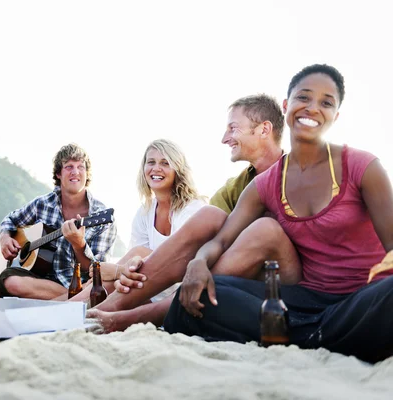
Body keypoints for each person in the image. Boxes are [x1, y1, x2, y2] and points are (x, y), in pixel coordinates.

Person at [161, 64, 393, 363]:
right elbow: (220, 241)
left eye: (326, 103)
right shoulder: (266, 184)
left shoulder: (363, 167)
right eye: (303, 98)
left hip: (362, 298)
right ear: (286, 105)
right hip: (304, 302)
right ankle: (317, 336)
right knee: (204, 293)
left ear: (336, 115)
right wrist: (198, 262)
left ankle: (298, 335)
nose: (312, 108)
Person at [89, 94, 299, 332]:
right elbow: (204, 233)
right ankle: (102, 310)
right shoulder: (238, 186)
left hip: (289, 284)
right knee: (210, 216)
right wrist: (140, 264)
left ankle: (129, 318)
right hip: (245, 281)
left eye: (233, 128)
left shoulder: (299, 174)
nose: (224, 138)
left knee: (265, 231)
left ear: (264, 129)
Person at [70, 139, 206, 304]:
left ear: (178, 169)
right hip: (146, 290)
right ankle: (66, 306)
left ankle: (70, 308)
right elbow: (134, 264)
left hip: (180, 292)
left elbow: (181, 264)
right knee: (106, 279)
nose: (156, 168)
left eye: (165, 163)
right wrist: (116, 273)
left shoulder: (192, 209)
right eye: (151, 162)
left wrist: (116, 271)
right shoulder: (145, 212)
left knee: (137, 254)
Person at [0, 143, 117, 299]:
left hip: (79, 284)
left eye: (81, 167)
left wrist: (79, 245)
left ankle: (71, 299)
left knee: (96, 285)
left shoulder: (101, 217)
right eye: (69, 167)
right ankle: (73, 299)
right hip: (41, 281)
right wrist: (4, 237)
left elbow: (99, 271)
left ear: (87, 173)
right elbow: (10, 219)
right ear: (59, 174)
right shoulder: (42, 204)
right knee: (9, 280)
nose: (75, 172)